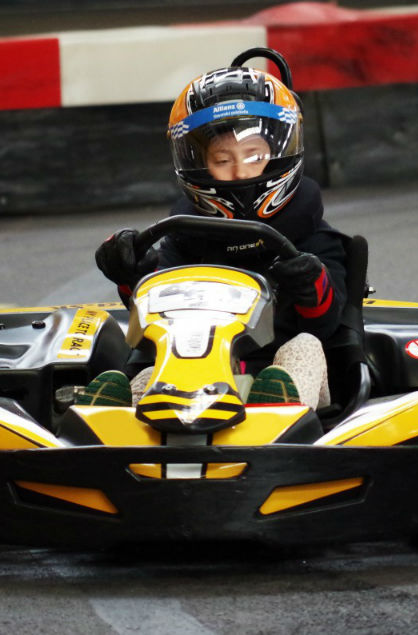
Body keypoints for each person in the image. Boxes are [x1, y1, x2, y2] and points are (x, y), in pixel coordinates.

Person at [91, 53, 348, 411]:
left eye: (254, 155)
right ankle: (114, 416)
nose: (241, 172)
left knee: (304, 347)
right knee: (149, 372)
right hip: (195, 379)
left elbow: (326, 323)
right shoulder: (186, 238)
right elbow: (151, 316)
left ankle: (276, 406)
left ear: (280, 151)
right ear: (198, 164)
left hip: (276, 377)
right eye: (223, 160)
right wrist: (130, 273)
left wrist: (309, 282)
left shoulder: (310, 235)